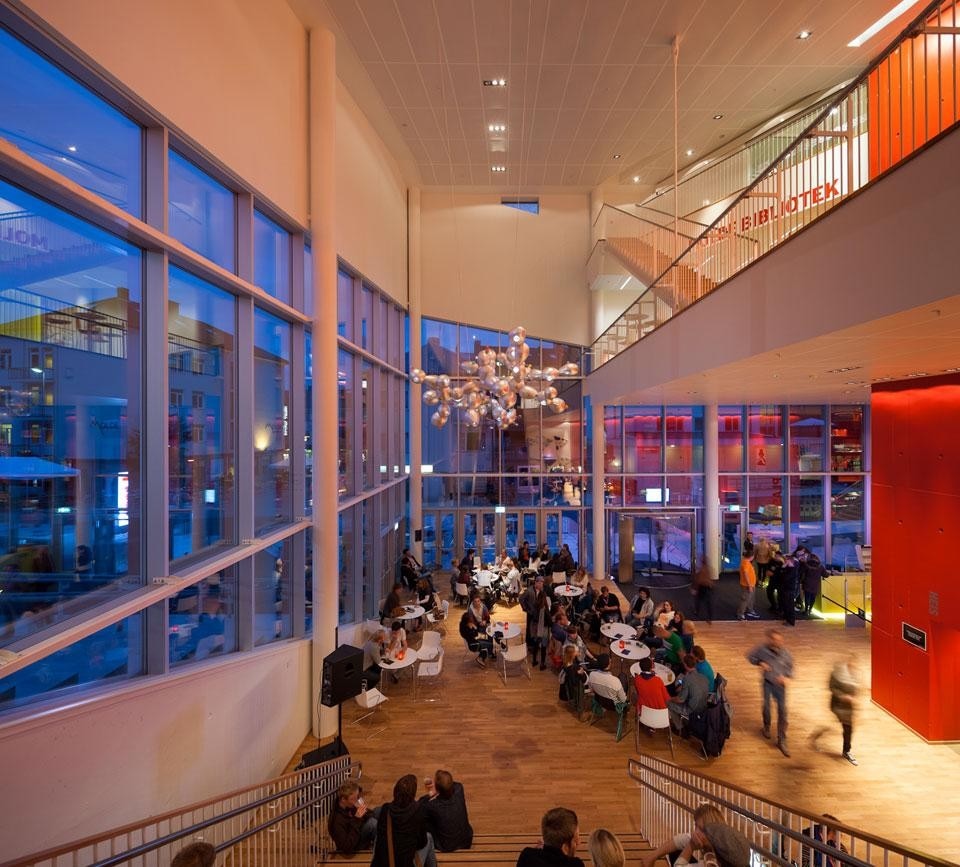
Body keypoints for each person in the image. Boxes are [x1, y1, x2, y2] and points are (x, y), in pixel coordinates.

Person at [746, 628, 794, 756]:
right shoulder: (762, 649)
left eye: (779, 640)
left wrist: (787, 678)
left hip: (780, 686)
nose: (777, 642)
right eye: (774, 640)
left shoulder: (786, 654)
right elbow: (750, 656)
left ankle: (782, 739)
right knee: (766, 706)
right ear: (770, 640)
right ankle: (766, 726)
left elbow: (790, 669)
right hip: (767, 683)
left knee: (783, 711)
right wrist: (760, 662)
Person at [371, 775, 436, 867]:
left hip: (383, 862)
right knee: (428, 837)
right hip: (405, 863)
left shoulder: (386, 809)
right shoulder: (418, 812)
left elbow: (380, 835)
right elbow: (422, 843)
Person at [641, 804, 735, 867]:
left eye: (701, 829)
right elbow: (682, 839)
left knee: (682, 853)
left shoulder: (713, 861)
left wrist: (690, 847)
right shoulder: (718, 840)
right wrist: (653, 856)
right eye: (696, 826)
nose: (695, 832)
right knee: (677, 850)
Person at [810, 655, 860, 765]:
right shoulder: (837, 674)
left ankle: (846, 751)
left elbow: (858, 688)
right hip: (837, 706)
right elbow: (831, 687)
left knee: (848, 729)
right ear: (847, 663)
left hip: (848, 708)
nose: (854, 666)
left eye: (855, 664)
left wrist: (855, 698)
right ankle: (817, 735)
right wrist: (842, 696)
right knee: (838, 727)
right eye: (851, 664)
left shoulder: (856, 675)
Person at [420, 769, 473, 852]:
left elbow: (420, 805)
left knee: (425, 819)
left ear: (438, 789)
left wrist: (431, 793)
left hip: (446, 846)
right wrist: (437, 789)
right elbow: (453, 784)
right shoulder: (459, 789)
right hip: (466, 841)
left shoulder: (432, 806)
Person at [516, 807, 584, 867]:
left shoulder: (527, 855)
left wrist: (537, 852)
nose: (579, 842)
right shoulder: (576, 864)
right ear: (565, 847)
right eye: (576, 840)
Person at [329, 779, 378, 854]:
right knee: (373, 824)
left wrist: (363, 810)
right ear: (343, 799)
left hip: (359, 831)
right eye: (353, 799)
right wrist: (357, 819)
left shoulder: (350, 805)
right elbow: (347, 847)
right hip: (353, 845)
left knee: (380, 811)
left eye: (357, 797)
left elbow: (370, 814)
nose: (356, 801)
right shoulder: (336, 820)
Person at [668, 654, 710, 734]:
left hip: (692, 710)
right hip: (704, 707)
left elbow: (680, 699)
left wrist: (670, 698)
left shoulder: (687, 679)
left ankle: (679, 727)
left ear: (685, 665)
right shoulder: (703, 677)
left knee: (668, 703)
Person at [459, 598, 493, 667]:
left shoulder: (464, 624)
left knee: (489, 637)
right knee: (490, 644)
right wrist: (476, 629)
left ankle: (488, 654)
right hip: (474, 644)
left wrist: (483, 624)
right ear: (468, 622)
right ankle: (481, 657)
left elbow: (477, 628)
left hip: (475, 639)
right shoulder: (468, 630)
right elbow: (476, 635)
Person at [736, 552, 760, 620]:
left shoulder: (746, 561)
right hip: (747, 585)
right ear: (751, 556)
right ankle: (740, 614)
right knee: (745, 600)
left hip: (751, 585)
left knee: (750, 599)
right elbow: (745, 573)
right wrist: (749, 586)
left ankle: (750, 610)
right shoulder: (746, 563)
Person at [690, 557, 714, 624]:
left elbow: (697, 580)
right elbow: (709, 579)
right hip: (707, 587)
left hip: (702, 587)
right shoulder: (708, 569)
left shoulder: (700, 569)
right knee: (708, 603)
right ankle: (709, 618)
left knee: (698, 600)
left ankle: (697, 611)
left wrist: (694, 588)